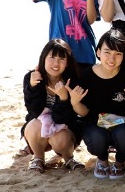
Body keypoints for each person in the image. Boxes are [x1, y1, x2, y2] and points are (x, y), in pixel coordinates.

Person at [69, 29, 125, 180]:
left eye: (118, 53)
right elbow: (84, 112)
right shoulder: (86, 75)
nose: (112, 58)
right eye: (107, 52)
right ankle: (102, 160)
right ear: (98, 52)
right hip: (95, 124)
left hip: (122, 124)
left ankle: (119, 163)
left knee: (124, 137)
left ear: (123, 56)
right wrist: (74, 102)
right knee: (97, 138)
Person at [21, 39, 85, 174]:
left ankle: (68, 158)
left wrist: (63, 98)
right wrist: (32, 87)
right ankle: (38, 158)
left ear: (67, 63)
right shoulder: (32, 77)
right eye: (52, 57)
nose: (56, 63)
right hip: (38, 129)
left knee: (59, 137)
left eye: (62, 59)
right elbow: (34, 111)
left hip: (65, 129)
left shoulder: (72, 81)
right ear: (43, 58)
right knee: (34, 125)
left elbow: (64, 119)